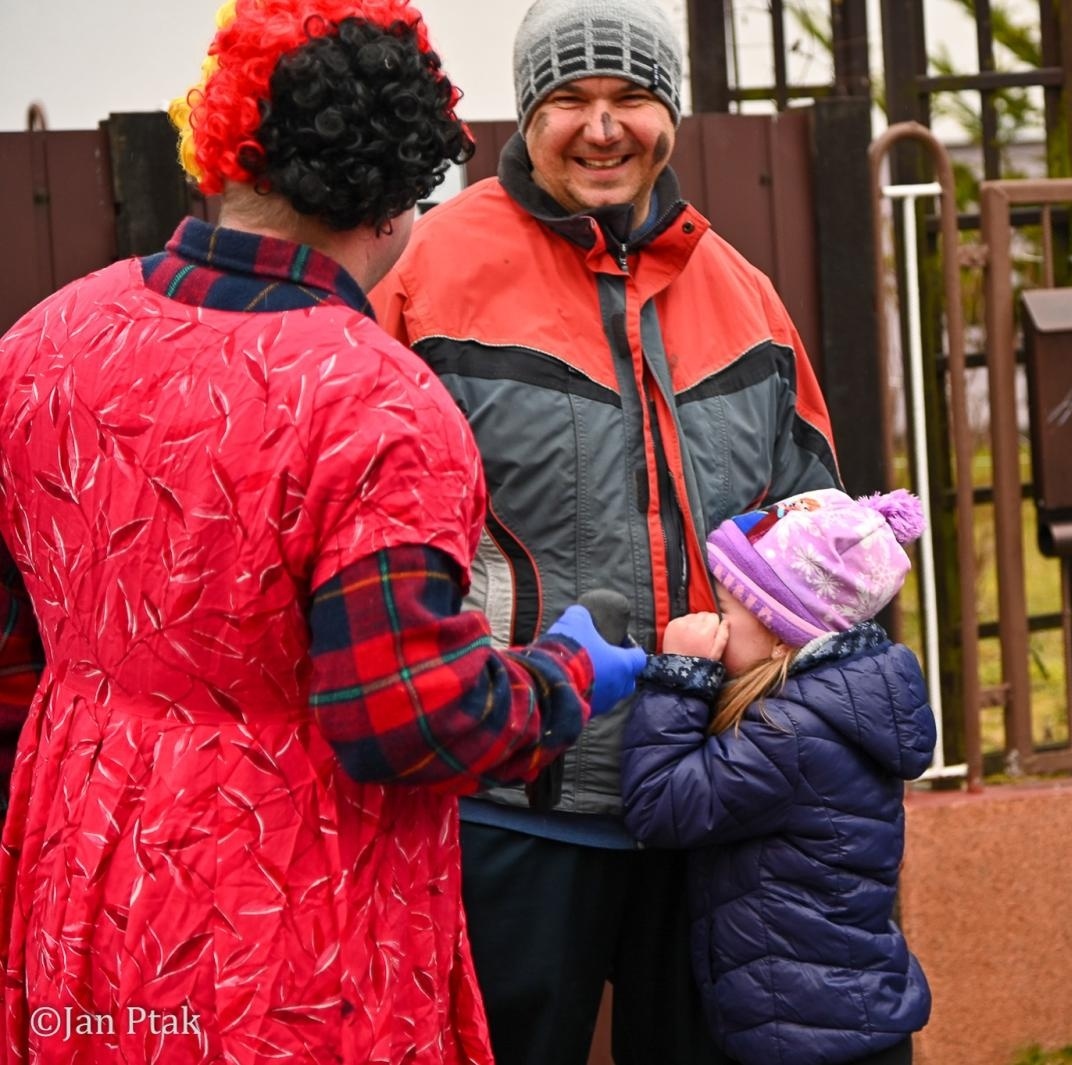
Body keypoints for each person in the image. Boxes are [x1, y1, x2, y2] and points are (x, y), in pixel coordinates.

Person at [0, 1, 646, 1060]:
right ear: (395, 203)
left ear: (221, 150)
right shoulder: (380, 405)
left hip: (80, 869)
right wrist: (566, 674)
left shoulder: (48, 339)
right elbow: (409, 719)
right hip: (287, 904)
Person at [369, 0, 840, 1059]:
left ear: (668, 112)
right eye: (569, 100)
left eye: (629, 97)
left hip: (711, 799)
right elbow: (372, 551)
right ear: (526, 114)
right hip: (507, 805)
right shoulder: (426, 279)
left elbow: (814, 536)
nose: (601, 126)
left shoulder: (744, 294)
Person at [620, 488, 934, 1065]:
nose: (717, 624)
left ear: (779, 628)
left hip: (811, 1037)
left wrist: (680, 673)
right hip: (841, 1018)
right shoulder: (833, 708)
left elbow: (659, 804)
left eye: (727, 609)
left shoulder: (789, 736)